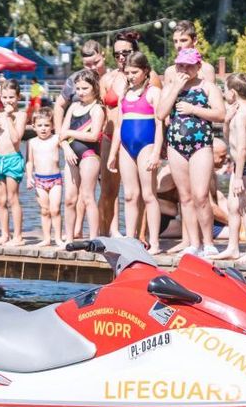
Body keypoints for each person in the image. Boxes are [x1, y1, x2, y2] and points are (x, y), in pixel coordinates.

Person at [156, 47, 226, 256]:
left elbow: (220, 114)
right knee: (185, 197)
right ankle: (193, 243)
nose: (184, 69)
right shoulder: (171, 87)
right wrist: (175, 89)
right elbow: (160, 114)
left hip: (200, 145)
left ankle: (208, 243)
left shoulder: (208, 87)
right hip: (176, 146)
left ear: (198, 66)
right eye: (180, 65)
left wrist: (193, 109)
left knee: (201, 195)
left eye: (188, 66)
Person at [106, 51, 163, 253]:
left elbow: (160, 124)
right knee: (130, 195)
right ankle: (130, 240)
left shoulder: (153, 92)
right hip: (126, 146)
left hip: (147, 144)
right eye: (128, 72)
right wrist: (112, 154)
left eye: (135, 72)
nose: (131, 76)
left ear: (145, 70)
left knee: (148, 195)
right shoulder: (124, 94)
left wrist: (156, 152)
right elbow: (119, 126)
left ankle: (154, 242)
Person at [58, 41, 107, 235]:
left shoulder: (97, 109)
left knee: (87, 196)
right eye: (78, 89)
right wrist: (66, 147)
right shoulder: (73, 106)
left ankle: (94, 237)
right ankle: (70, 237)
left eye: (85, 88)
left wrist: (69, 134)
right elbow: (62, 133)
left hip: (89, 155)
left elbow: (94, 135)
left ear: (94, 89)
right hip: (71, 154)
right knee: (69, 198)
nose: (80, 92)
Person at [215, 72, 246, 262]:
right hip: (239, 166)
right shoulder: (236, 113)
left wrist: (239, 177)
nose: (223, 93)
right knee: (233, 207)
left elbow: (242, 149)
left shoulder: (243, 114)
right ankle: (233, 247)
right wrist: (226, 121)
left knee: (244, 207)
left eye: (224, 90)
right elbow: (229, 140)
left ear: (232, 92)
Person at [0, 80, 27, 246]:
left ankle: (18, 236)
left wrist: (9, 117)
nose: (8, 100)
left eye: (11, 97)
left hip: (13, 159)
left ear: (18, 97)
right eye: (4, 97)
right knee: (0, 199)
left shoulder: (21, 115)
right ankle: (5, 234)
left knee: (13, 198)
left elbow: (16, 139)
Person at [25, 107, 62, 247]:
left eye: (46, 125)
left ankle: (58, 238)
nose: (43, 128)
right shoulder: (32, 142)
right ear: (33, 126)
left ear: (52, 126)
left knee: (55, 209)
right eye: (40, 125)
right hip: (39, 180)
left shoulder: (56, 139)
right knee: (45, 210)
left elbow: (66, 144)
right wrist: (29, 177)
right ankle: (46, 238)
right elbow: (30, 162)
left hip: (55, 179)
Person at [162, 20, 217, 86]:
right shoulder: (170, 72)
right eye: (175, 41)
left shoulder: (206, 69)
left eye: (183, 40)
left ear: (194, 41)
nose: (178, 45)